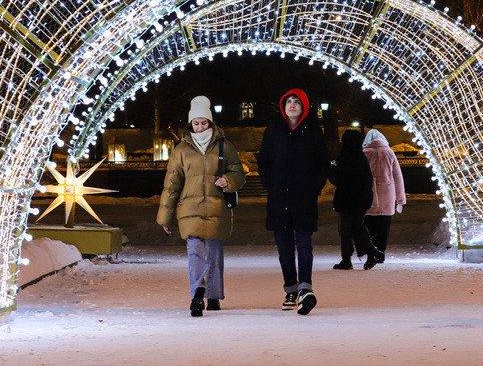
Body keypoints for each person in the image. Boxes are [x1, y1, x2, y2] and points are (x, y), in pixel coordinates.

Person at [157, 95, 245, 317]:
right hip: (190, 209)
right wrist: (165, 217)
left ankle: (213, 295)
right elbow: (171, 185)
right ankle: (197, 294)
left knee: (215, 253)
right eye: (196, 123)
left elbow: (238, 172)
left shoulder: (225, 146)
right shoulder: (181, 150)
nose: (200, 127)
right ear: (190, 124)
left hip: (217, 208)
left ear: (210, 123)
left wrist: (229, 181)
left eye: (204, 122)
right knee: (195, 253)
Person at [258, 89, 329, 315]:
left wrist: (314, 186)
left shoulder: (313, 131)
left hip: (303, 198)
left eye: (297, 102)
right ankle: (291, 289)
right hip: (279, 198)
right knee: (285, 249)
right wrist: (270, 182)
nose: (292, 105)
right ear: (283, 105)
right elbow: (264, 160)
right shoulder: (274, 130)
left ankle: (306, 289)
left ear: (304, 106)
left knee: (304, 245)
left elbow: (323, 162)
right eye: (289, 101)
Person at [330, 128, 384, 270]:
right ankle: (370, 252)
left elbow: (338, 179)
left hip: (347, 200)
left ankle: (347, 259)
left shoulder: (346, 158)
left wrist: (331, 169)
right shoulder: (360, 158)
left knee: (345, 229)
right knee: (357, 227)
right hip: (361, 200)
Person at [362, 128, 407, 262]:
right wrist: (400, 200)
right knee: (384, 228)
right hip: (388, 194)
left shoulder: (365, 153)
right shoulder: (389, 153)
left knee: (369, 226)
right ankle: (381, 252)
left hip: (370, 194)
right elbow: (398, 177)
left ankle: (372, 251)